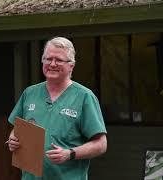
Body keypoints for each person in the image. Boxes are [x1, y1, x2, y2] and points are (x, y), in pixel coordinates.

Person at [7, 37, 107, 180]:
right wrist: (13, 138)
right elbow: (17, 128)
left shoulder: (84, 96)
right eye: (48, 59)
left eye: (59, 60)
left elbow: (101, 144)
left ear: (71, 65)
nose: (52, 64)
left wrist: (70, 153)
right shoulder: (30, 93)